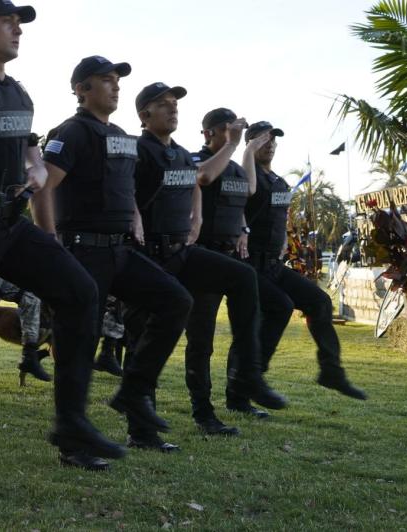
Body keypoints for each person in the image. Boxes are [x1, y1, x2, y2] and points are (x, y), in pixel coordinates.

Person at [0, 0, 124, 493]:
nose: (18, 29)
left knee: (80, 293)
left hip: (9, 226)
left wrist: (34, 171)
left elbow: (29, 152)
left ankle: (70, 428)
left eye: (20, 22)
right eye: (9, 21)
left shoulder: (17, 92)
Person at [35, 57, 193, 455]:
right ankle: (73, 441)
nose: (115, 86)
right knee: (78, 343)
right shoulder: (70, 132)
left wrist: (135, 217)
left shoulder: (122, 135)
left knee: (176, 301)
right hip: (82, 249)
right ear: (81, 89)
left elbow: (126, 187)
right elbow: (43, 187)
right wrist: (49, 243)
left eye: (117, 80)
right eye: (106, 81)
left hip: (121, 248)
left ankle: (133, 391)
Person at [125, 82, 288, 448]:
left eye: (174, 103)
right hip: (147, 255)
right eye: (162, 104)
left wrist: (196, 219)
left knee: (242, 286)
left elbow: (212, 189)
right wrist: (134, 217)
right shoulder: (143, 150)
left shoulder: (180, 154)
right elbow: (137, 188)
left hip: (187, 252)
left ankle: (243, 381)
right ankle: (143, 429)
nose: (172, 108)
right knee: (148, 338)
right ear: (144, 114)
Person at [227, 121, 367, 415]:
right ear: (250, 143)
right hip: (247, 264)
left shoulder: (279, 182)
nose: (271, 144)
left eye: (274, 140)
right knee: (262, 317)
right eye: (263, 139)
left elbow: (280, 217)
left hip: (274, 264)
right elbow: (245, 196)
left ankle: (331, 371)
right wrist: (248, 151)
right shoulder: (241, 175)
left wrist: (283, 242)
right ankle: (244, 389)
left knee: (319, 301)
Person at [182, 107, 271, 434]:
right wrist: (234, 145)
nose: (230, 136)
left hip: (229, 257)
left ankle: (243, 388)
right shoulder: (194, 159)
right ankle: (203, 411)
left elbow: (248, 191)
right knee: (201, 340)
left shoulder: (233, 165)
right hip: (199, 258)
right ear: (208, 133)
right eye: (225, 131)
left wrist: (246, 149)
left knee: (250, 320)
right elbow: (202, 177)